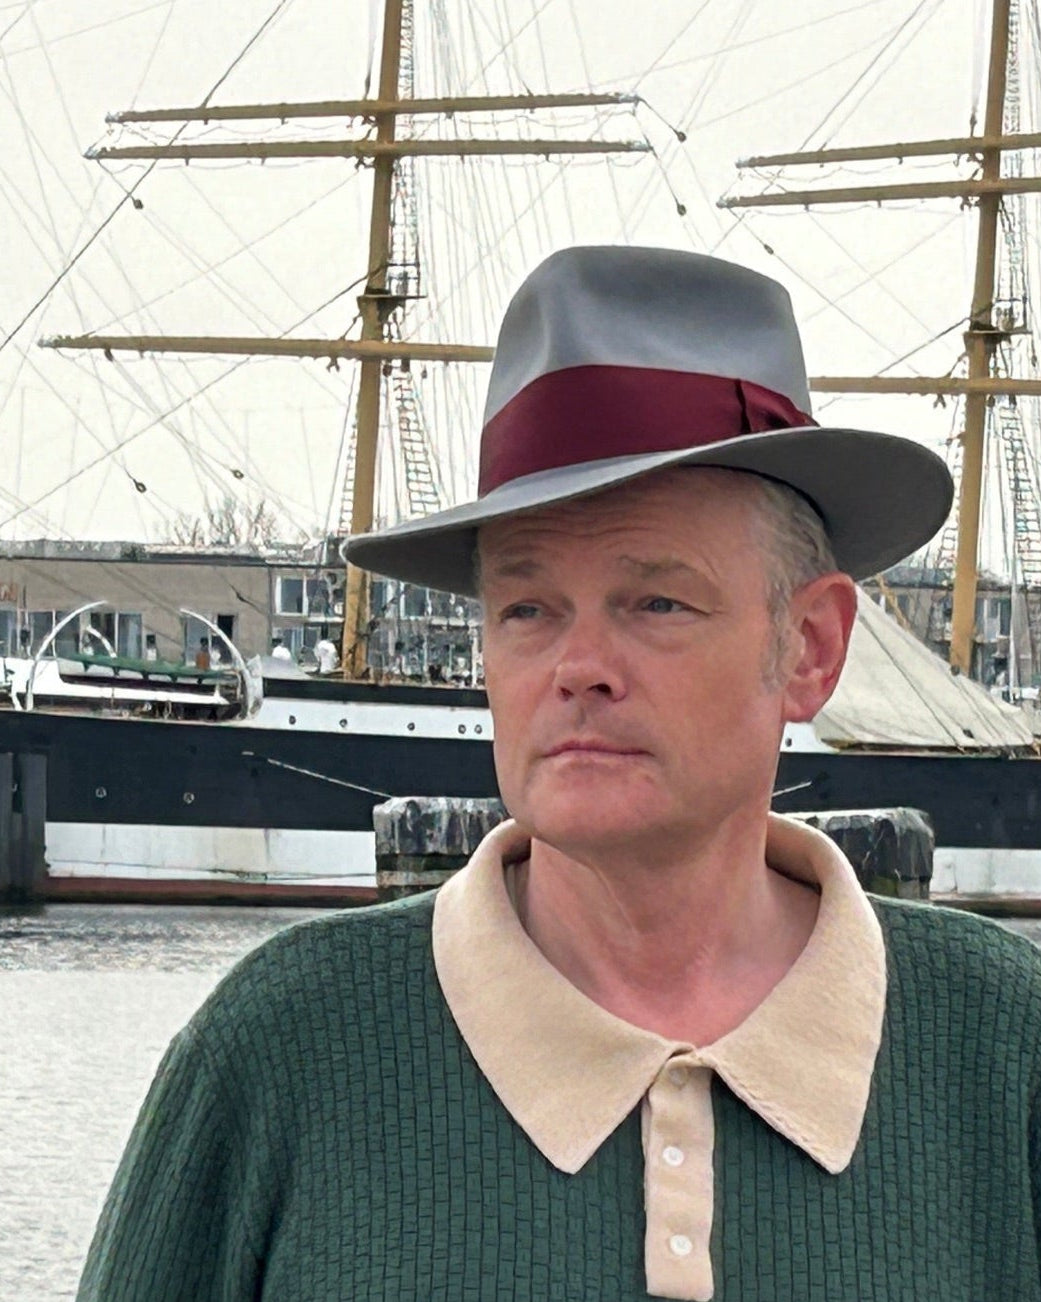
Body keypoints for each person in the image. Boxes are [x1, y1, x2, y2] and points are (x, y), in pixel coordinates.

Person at [77, 247, 1041, 1302]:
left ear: (809, 647)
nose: (578, 668)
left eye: (655, 603)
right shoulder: (281, 1054)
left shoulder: (1003, 1050)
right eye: (529, 609)